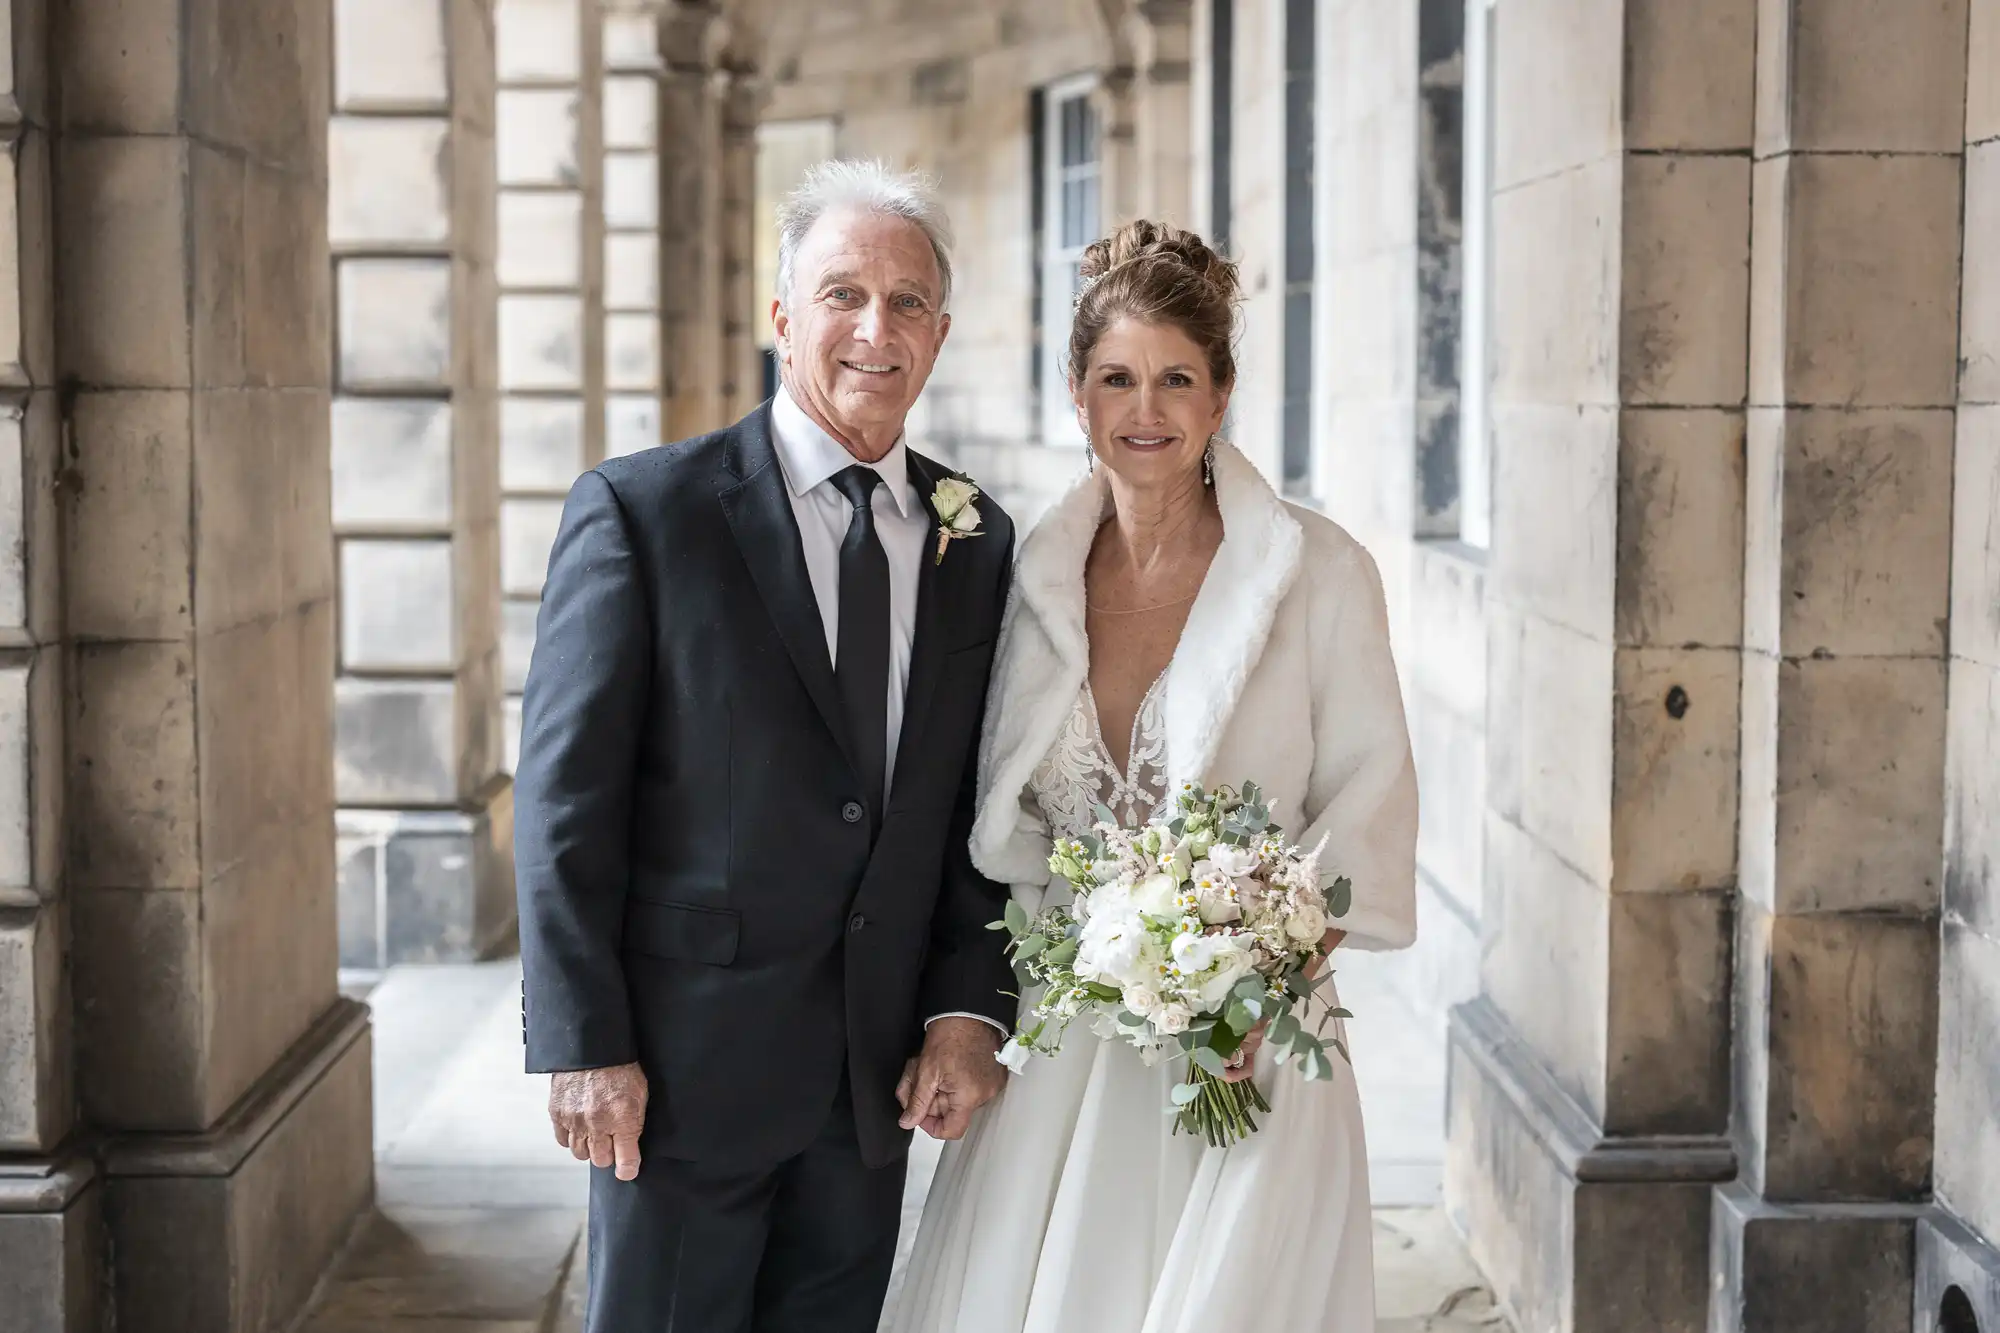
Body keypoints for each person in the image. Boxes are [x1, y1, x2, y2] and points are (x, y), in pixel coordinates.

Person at [513, 160, 1017, 1333]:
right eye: (842, 294)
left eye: (905, 303)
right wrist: (585, 1042)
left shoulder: (977, 538)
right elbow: (563, 804)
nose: (873, 330)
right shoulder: (645, 514)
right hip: (682, 1085)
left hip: (870, 1087)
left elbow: (976, 804)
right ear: (782, 315)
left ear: (939, 335)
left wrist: (964, 1005)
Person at [888, 220, 1419, 1333]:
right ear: (1075, 397)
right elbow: (992, 814)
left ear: (1219, 397)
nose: (1146, 410)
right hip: (1063, 1038)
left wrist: (1250, 978)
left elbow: (1366, 798)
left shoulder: (1317, 574)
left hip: (1251, 1040)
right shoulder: (1028, 576)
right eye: (1117, 378)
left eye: (1177, 378)